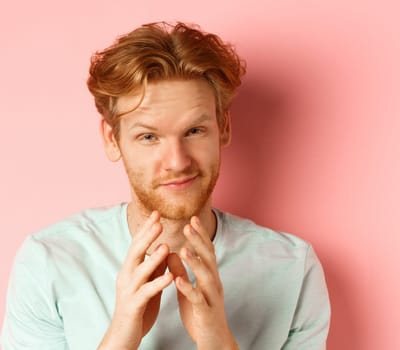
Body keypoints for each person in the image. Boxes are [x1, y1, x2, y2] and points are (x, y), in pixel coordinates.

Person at [1, 21, 330, 349]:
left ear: (223, 127)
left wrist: (216, 340)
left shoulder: (292, 270)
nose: (177, 161)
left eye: (194, 131)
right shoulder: (50, 261)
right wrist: (121, 337)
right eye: (148, 137)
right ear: (112, 140)